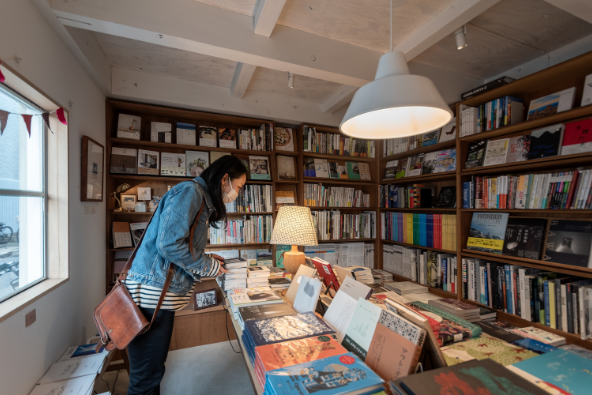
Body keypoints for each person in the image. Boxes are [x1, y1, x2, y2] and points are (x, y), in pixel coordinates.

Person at [123, 155, 247, 395]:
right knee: (146, 378)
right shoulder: (191, 193)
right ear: (224, 179)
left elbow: (181, 242)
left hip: (155, 296)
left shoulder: (197, 195)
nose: (237, 194)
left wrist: (208, 258)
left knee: (151, 372)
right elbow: (169, 245)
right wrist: (208, 266)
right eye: (238, 187)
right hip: (152, 298)